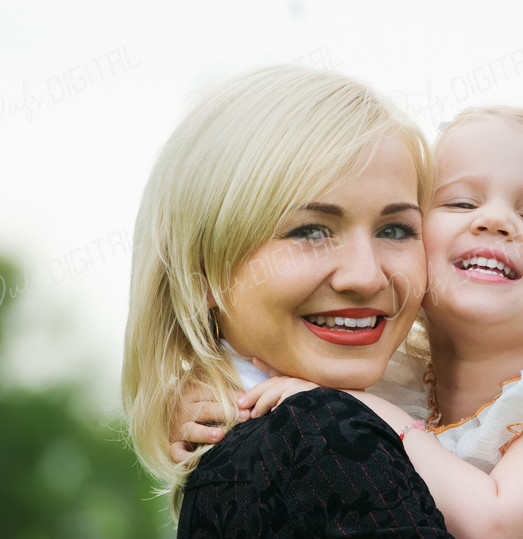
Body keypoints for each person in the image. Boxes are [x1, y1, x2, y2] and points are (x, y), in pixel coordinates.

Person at [175, 106, 523, 537]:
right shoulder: (395, 381)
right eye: (462, 204)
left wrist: (367, 414)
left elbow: (496, 523)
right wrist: (200, 400)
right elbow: (274, 368)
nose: (494, 221)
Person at [122, 64, 452, 537]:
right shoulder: (320, 440)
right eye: (310, 231)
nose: (365, 275)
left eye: (395, 229)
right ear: (204, 274)